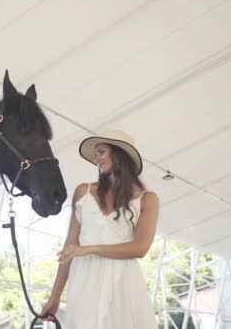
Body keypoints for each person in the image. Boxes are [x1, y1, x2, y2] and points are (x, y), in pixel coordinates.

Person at [41, 129, 160, 328]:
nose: (96, 158)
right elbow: (69, 249)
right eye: (96, 153)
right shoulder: (83, 192)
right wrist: (54, 298)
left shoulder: (147, 199)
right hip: (85, 283)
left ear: (119, 153)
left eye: (101, 152)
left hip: (124, 284)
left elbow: (140, 248)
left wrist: (90, 249)